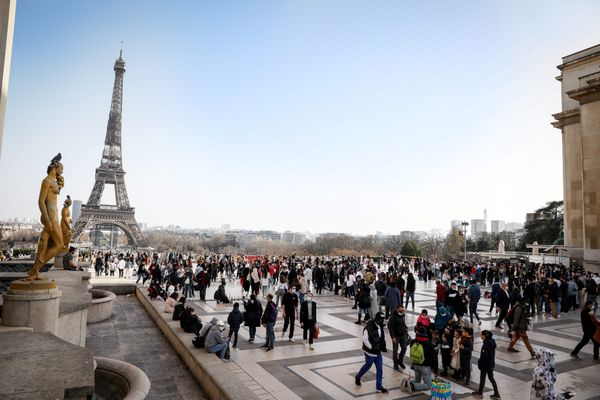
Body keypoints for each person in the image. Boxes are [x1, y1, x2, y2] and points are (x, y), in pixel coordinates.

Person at [354, 312, 389, 394]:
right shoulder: (368, 328)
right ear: (376, 319)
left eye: (382, 320)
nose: (381, 321)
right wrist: (371, 347)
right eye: (380, 319)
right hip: (370, 352)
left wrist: (381, 346)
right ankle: (358, 376)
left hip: (378, 351)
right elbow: (365, 339)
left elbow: (381, 338)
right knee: (367, 366)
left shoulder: (380, 326)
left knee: (380, 369)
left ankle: (379, 386)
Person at [402, 326, 436, 394]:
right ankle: (412, 386)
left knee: (417, 380)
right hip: (425, 366)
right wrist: (434, 368)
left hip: (415, 364)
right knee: (428, 385)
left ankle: (406, 383)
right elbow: (433, 357)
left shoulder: (413, 341)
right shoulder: (429, 343)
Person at [472, 330, 501, 399]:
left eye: (481, 335)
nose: (480, 336)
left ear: (485, 336)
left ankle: (480, 392)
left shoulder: (485, 345)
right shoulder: (492, 342)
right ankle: (496, 393)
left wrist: (479, 362)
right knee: (491, 378)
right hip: (491, 364)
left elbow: (484, 357)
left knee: (482, 378)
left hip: (485, 365)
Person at [387, 305, 409, 369]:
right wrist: (393, 337)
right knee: (395, 350)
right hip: (396, 336)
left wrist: (405, 327)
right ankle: (395, 364)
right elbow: (390, 327)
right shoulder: (393, 317)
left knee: (404, 348)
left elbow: (403, 323)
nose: (402, 310)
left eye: (403, 309)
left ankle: (400, 361)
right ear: (397, 309)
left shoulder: (403, 315)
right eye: (401, 309)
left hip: (402, 335)